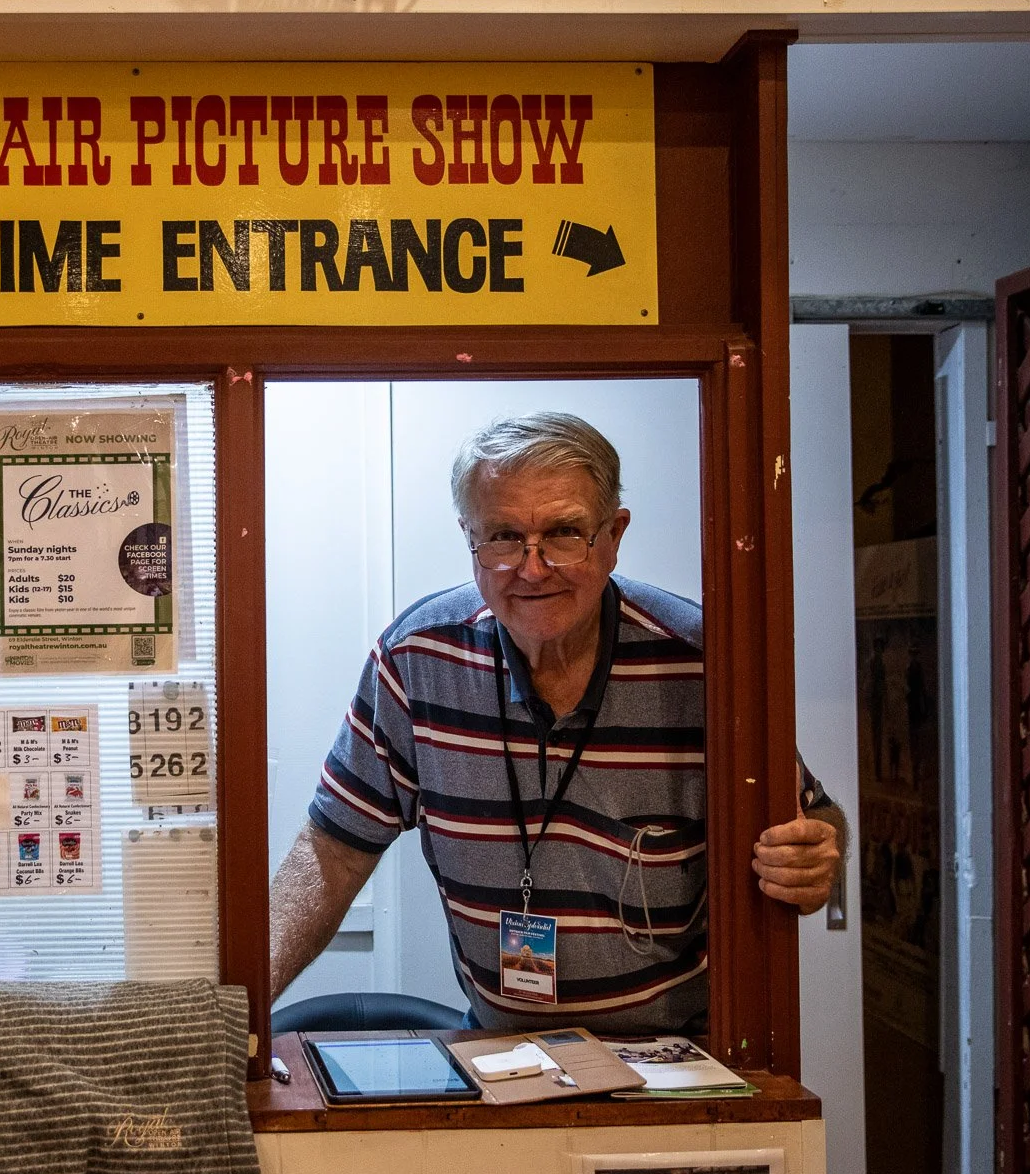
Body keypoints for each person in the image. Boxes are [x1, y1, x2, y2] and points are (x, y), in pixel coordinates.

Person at [268, 412, 847, 1034]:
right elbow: (332, 855)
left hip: (673, 1061)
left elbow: (813, 817)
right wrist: (233, 1010)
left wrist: (815, 858)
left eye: (564, 533)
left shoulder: (702, 662)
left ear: (614, 535)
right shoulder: (416, 661)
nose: (533, 568)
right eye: (504, 537)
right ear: (469, 538)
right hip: (504, 1055)